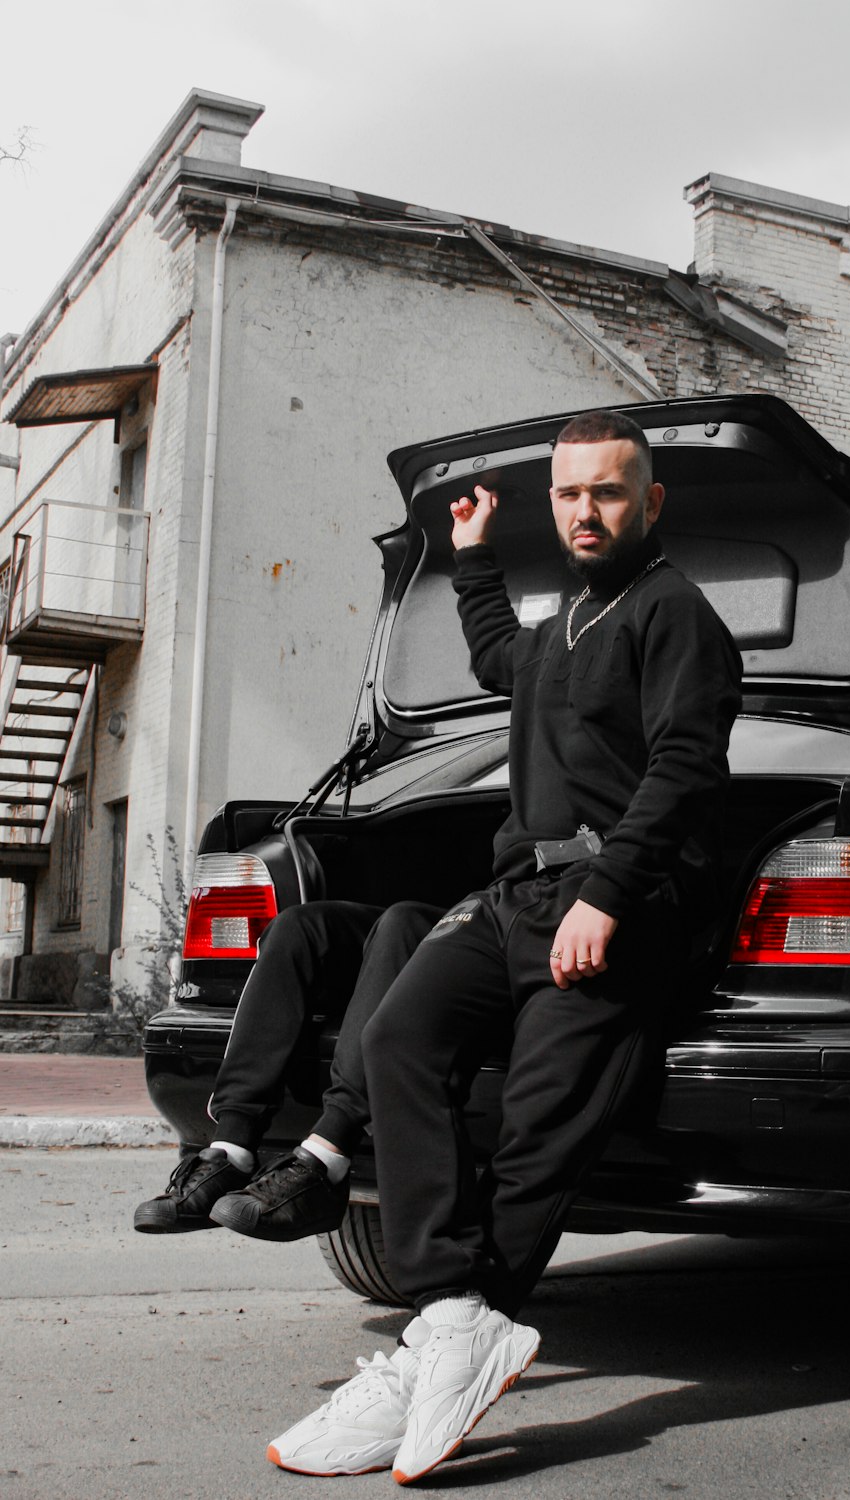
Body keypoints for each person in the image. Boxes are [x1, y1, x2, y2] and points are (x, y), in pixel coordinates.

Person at [264, 408, 743, 1484]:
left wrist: (609, 893)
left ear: (648, 501)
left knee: (537, 1127)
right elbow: (493, 655)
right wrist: (473, 551)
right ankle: (449, 1312)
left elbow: (684, 766)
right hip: (518, 892)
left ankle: (452, 1339)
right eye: (570, 493)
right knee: (395, 1043)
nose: (586, 509)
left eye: (608, 491)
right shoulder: (565, 625)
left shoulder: (675, 616)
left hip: (614, 905)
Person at [133, 899, 442, 1237]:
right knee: (297, 925)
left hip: (486, 919)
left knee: (403, 921)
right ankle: (232, 1149)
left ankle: (329, 1157)